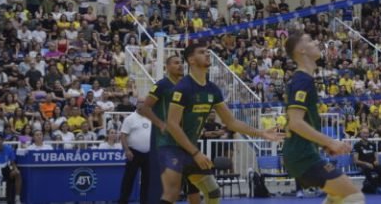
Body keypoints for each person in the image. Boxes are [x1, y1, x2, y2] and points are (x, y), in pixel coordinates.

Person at [160, 43, 282, 204]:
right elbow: (172, 124)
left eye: (207, 52)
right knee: (172, 194)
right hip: (171, 148)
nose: (207, 54)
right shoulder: (183, 87)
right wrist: (196, 153)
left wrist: (261, 133)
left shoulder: (212, 90)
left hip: (190, 150)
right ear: (191, 60)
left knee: (213, 193)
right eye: (202, 52)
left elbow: (230, 122)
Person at [283, 33, 365, 204]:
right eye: (310, 40)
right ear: (302, 50)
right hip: (302, 157)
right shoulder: (302, 80)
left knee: (337, 196)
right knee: (354, 197)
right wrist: (331, 142)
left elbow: (305, 122)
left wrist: (323, 144)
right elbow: (296, 122)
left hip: (302, 155)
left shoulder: (303, 79)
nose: (316, 42)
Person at [139, 55, 201, 204]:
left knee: (195, 183)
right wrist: (160, 124)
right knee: (171, 188)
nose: (180, 65)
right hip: (168, 142)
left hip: (186, 139)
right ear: (167, 67)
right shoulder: (162, 85)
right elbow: (144, 108)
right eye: (176, 63)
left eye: (181, 63)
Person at [118, 97, 152, 204]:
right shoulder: (130, 119)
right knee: (129, 180)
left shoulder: (151, 118)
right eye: (140, 102)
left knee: (147, 181)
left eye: (144, 102)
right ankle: (123, 201)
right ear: (136, 104)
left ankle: (144, 201)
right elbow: (123, 136)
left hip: (148, 154)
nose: (142, 104)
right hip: (134, 153)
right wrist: (127, 150)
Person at [0, 132, 21, 204]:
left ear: (2, 140)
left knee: (17, 173)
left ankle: (17, 198)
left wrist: (15, 169)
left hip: (6, 168)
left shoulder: (9, 149)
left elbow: (12, 163)